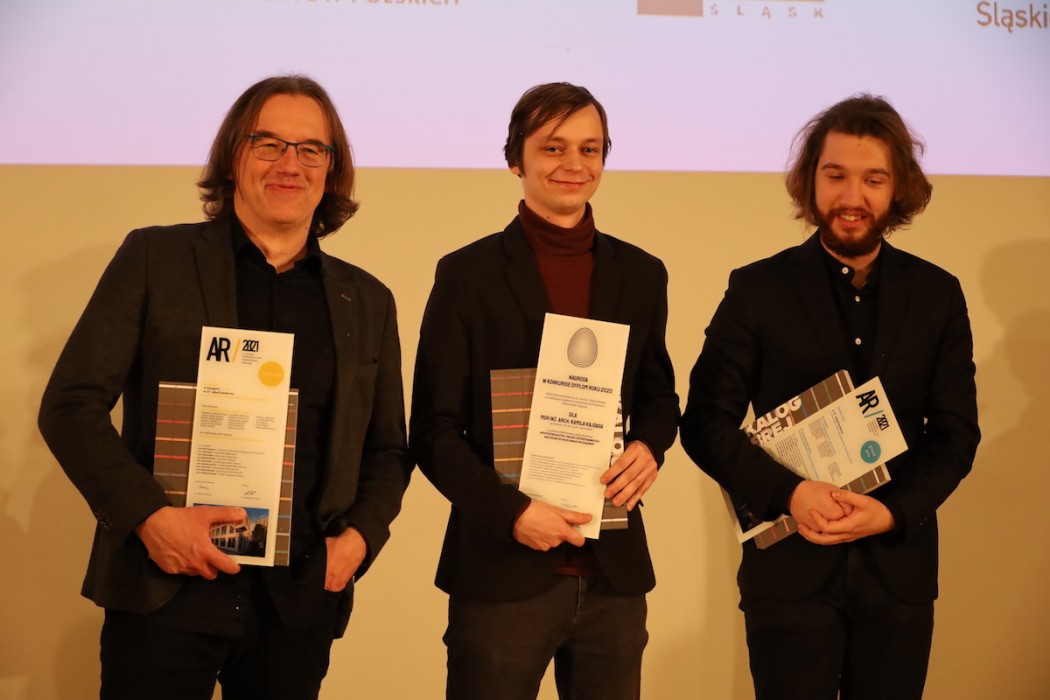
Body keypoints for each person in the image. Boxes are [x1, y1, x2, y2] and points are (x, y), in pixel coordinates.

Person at [38, 75, 413, 699]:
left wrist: (360, 540)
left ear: (331, 168)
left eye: (310, 149)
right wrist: (150, 519)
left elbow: (388, 449)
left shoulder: (367, 300)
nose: (290, 164)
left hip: (297, 605)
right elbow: (70, 406)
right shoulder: (156, 260)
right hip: (165, 590)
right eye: (268, 144)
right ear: (234, 156)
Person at [680, 94, 980, 699]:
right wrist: (790, 494)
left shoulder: (937, 294)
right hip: (789, 575)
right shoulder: (758, 289)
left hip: (897, 572)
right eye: (836, 175)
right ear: (810, 181)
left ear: (898, 187)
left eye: (873, 179)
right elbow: (705, 422)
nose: (852, 196)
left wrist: (892, 511)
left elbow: (955, 435)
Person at [410, 82, 679, 699]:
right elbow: (432, 430)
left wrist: (649, 446)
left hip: (613, 573)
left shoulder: (641, 274)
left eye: (590, 148)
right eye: (553, 147)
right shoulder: (467, 274)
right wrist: (513, 515)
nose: (573, 163)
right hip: (502, 571)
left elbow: (659, 396)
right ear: (516, 159)